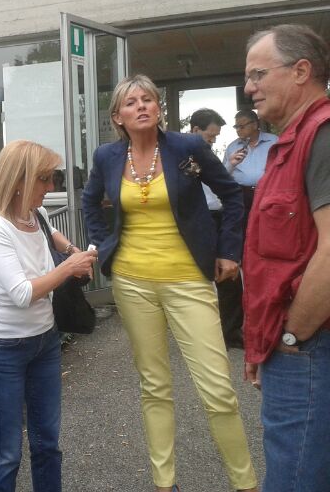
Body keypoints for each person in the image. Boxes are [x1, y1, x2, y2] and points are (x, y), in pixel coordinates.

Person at [82, 75, 258, 492]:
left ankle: (246, 483)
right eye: (131, 102)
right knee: (154, 385)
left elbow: (231, 195)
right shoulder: (107, 156)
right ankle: (165, 483)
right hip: (132, 282)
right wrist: (104, 247)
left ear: (158, 108)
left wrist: (229, 251)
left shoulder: (187, 147)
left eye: (148, 99)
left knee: (217, 389)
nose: (141, 106)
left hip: (189, 280)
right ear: (118, 116)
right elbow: (90, 202)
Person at [0, 139, 97, 492]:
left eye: (52, 177)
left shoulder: (35, 214)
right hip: (2, 350)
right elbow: (23, 293)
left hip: (44, 342)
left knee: (47, 444)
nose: (51, 186)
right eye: (44, 178)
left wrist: (74, 252)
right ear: (18, 180)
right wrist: (69, 267)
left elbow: (55, 237)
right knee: (6, 454)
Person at [241, 24, 330, 492]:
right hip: (295, 343)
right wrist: (262, 344)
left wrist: (292, 336)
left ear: (301, 71)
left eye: (258, 74)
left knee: (294, 478)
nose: (248, 87)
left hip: (309, 345)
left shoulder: (322, 134)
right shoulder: (292, 142)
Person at [189, 108, 245, 348]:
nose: (213, 141)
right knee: (199, 278)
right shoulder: (182, 158)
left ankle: (230, 332)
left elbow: (220, 186)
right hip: (199, 221)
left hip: (219, 216)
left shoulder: (207, 155)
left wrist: (229, 166)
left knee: (229, 275)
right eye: (210, 136)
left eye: (215, 137)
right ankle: (202, 333)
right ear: (195, 130)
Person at [223, 109, 278, 220]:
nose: (238, 130)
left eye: (241, 126)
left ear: (255, 125)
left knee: (268, 225)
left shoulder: (274, 142)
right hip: (242, 195)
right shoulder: (232, 147)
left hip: (269, 193)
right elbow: (223, 174)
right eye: (236, 127)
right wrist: (231, 163)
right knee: (244, 226)